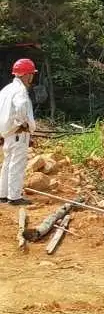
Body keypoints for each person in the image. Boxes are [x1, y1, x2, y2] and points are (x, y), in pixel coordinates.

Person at [0, 58, 37, 206]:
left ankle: (2, 194)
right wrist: (26, 125)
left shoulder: (6, 89)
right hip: (18, 133)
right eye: (31, 74)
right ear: (27, 74)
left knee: (7, 163)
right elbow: (22, 108)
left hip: (7, 133)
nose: (32, 78)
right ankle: (14, 197)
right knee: (17, 164)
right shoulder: (20, 91)